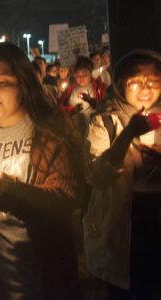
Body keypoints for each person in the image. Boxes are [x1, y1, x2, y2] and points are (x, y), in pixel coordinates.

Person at [0, 42, 83, 300]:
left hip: (43, 272)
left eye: (2, 80)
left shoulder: (50, 130)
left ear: (23, 82)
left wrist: (0, 185)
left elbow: (66, 200)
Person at [83, 49, 161, 300]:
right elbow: (96, 177)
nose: (146, 89)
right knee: (126, 288)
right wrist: (126, 136)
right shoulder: (105, 120)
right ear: (118, 84)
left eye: (154, 81)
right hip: (124, 220)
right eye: (136, 82)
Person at [59, 56, 107, 136]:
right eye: (78, 75)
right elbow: (60, 107)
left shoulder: (100, 87)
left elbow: (104, 107)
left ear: (90, 74)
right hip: (74, 131)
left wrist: (90, 100)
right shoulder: (70, 88)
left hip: (95, 130)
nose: (81, 78)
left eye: (84, 75)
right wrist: (72, 109)